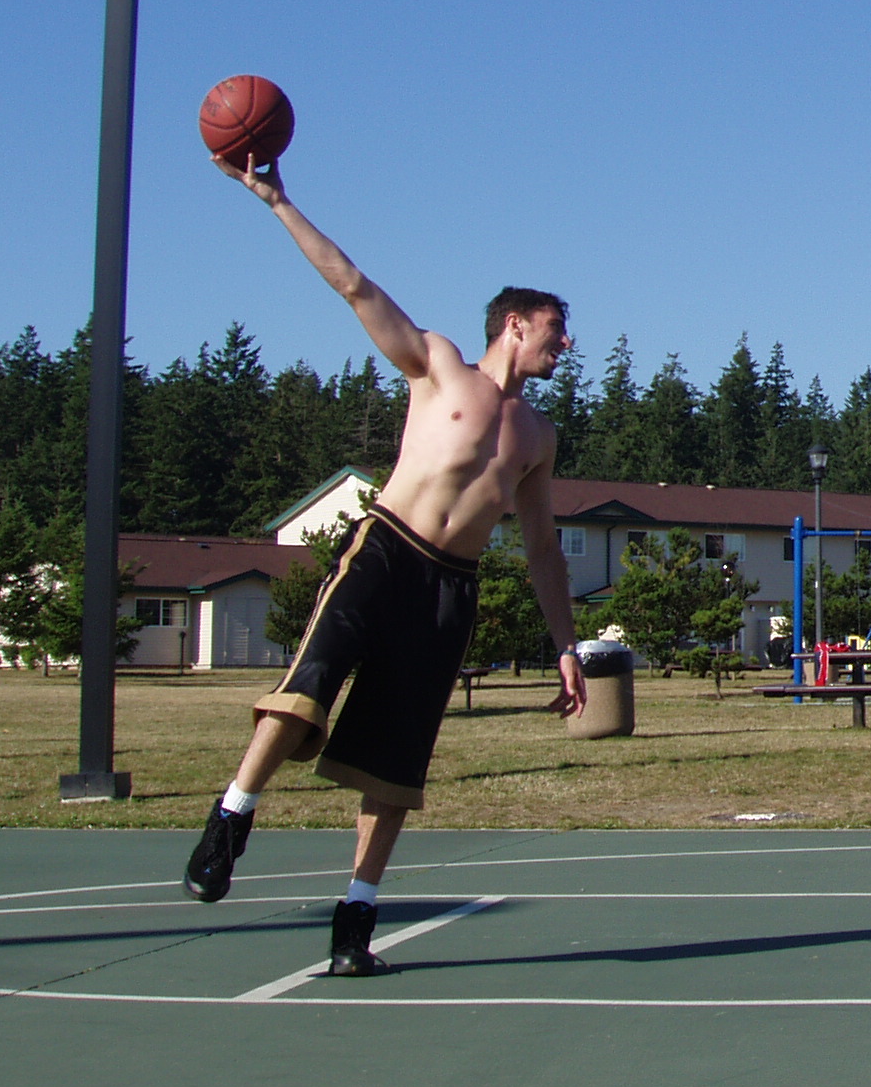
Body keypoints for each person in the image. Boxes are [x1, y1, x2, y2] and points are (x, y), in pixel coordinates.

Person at [181, 152, 587, 976]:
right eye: (555, 327)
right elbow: (354, 285)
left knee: (395, 769)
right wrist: (275, 201)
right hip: (385, 553)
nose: (565, 342)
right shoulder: (437, 365)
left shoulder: (539, 437)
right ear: (515, 324)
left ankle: (354, 922)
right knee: (304, 690)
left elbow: (542, 549)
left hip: (449, 591)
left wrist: (565, 647)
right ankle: (232, 818)